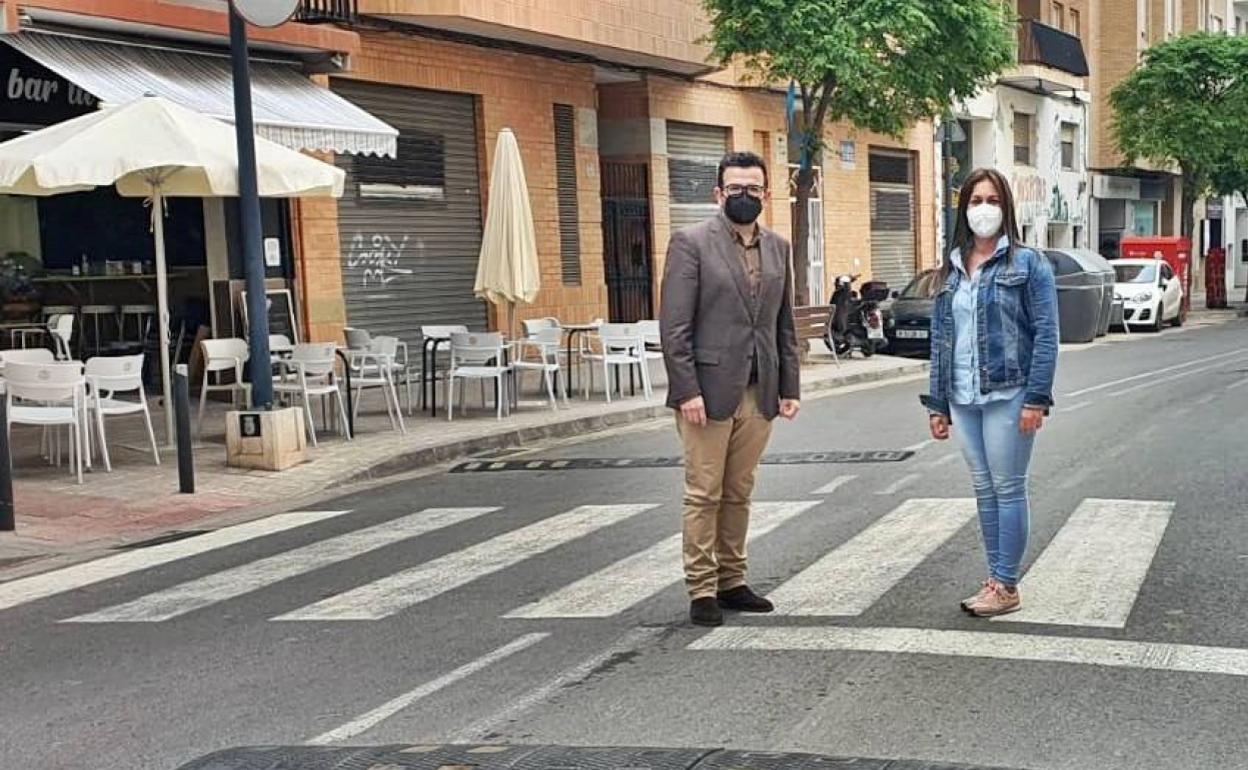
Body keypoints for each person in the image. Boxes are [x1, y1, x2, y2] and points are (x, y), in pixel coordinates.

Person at [660, 151, 802, 627]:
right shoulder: (691, 244)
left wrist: (789, 386)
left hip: (759, 390)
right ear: (719, 193)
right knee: (704, 492)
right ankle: (702, 588)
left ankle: (732, 581)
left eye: (753, 188)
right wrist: (686, 390)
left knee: (739, 491)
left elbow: (783, 324)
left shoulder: (778, 247)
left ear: (767, 194)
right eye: (736, 188)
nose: (745, 196)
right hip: (707, 391)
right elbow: (675, 326)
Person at [921, 168, 1058, 618]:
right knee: (984, 488)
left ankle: (1006, 584)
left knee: (1008, 486)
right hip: (962, 396)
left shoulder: (1028, 264)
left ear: (1007, 208)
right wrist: (938, 403)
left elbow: (1046, 334)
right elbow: (941, 340)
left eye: (993, 200)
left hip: (1010, 393)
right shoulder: (952, 267)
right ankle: (996, 579)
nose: (984, 209)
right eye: (976, 201)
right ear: (963, 208)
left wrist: (1036, 399)